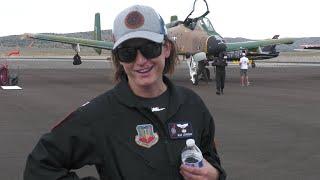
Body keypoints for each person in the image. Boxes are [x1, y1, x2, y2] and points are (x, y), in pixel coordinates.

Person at [23, 5, 226, 180]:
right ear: (118, 58)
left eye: (149, 48)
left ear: (166, 48)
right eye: (127, 52)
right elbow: (39, 166)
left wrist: (215, 174)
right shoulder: (99, 114)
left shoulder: (192, 105)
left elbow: (210, 157)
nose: (140, 61)